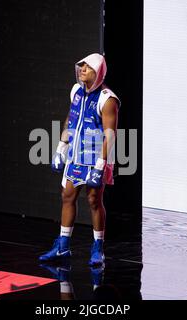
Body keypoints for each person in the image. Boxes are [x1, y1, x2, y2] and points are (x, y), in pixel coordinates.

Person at [39, 53, 120, 266]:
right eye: (81, 66)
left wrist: (100, 166)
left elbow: (110, 134)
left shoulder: (107, 99)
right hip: (75, 154)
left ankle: (98, 248)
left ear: (98, 72)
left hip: (95, 157)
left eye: (87, 67)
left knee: (94, 200)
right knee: (67, 196)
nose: (82, 69)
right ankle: (63, 248)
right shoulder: (76, 91)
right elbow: (71, 117)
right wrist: (60, 148)